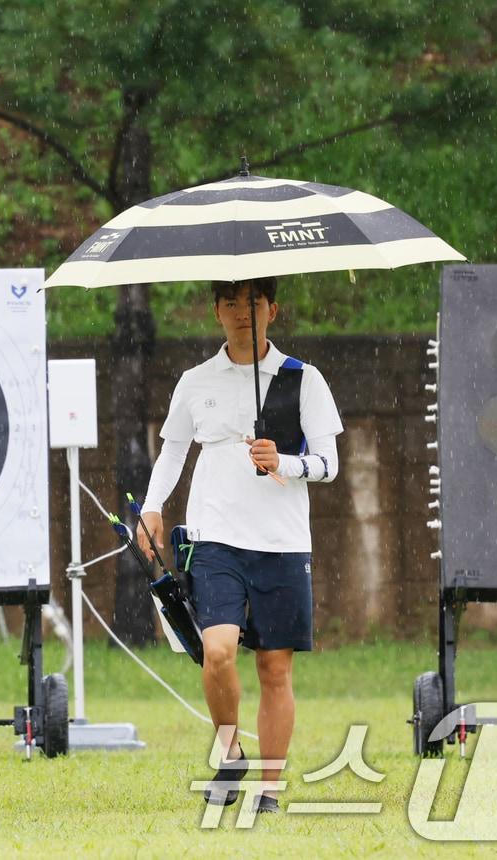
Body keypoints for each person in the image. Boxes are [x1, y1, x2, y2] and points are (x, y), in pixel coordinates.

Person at [137, 277, 342, 815]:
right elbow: (173, 451)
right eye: (229, 303)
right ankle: (231, 751)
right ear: (216, 312)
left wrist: (285, 462)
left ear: (272, 309)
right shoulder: (195, 380)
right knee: (218, 649)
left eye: (251, 302)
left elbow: (328, 464)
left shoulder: (304, 380)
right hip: (214, 538)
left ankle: (269, 790)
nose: (240, 312)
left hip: (281, 542)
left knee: (275, 667)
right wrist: (153, 507)